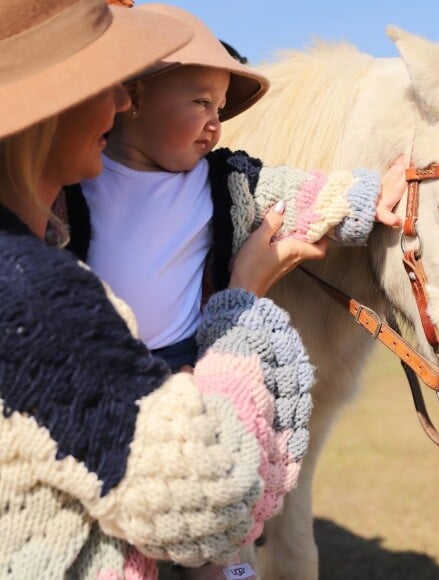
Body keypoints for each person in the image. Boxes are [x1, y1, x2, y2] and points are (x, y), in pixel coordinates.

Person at [0, 1, 330, 578]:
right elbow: (210, 497)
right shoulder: (34, 297)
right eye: (107, 82)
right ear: (50, 104)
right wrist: (242, 302)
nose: (122, 100)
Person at [64, 2, 406, 374]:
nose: (215, 123)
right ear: (133, 98)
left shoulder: (223, 182)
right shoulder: (73, 176)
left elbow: (295, 193)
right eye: (201, 103)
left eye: (220, 108)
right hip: (85, 365)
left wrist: (368, 197)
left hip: (181, 365)